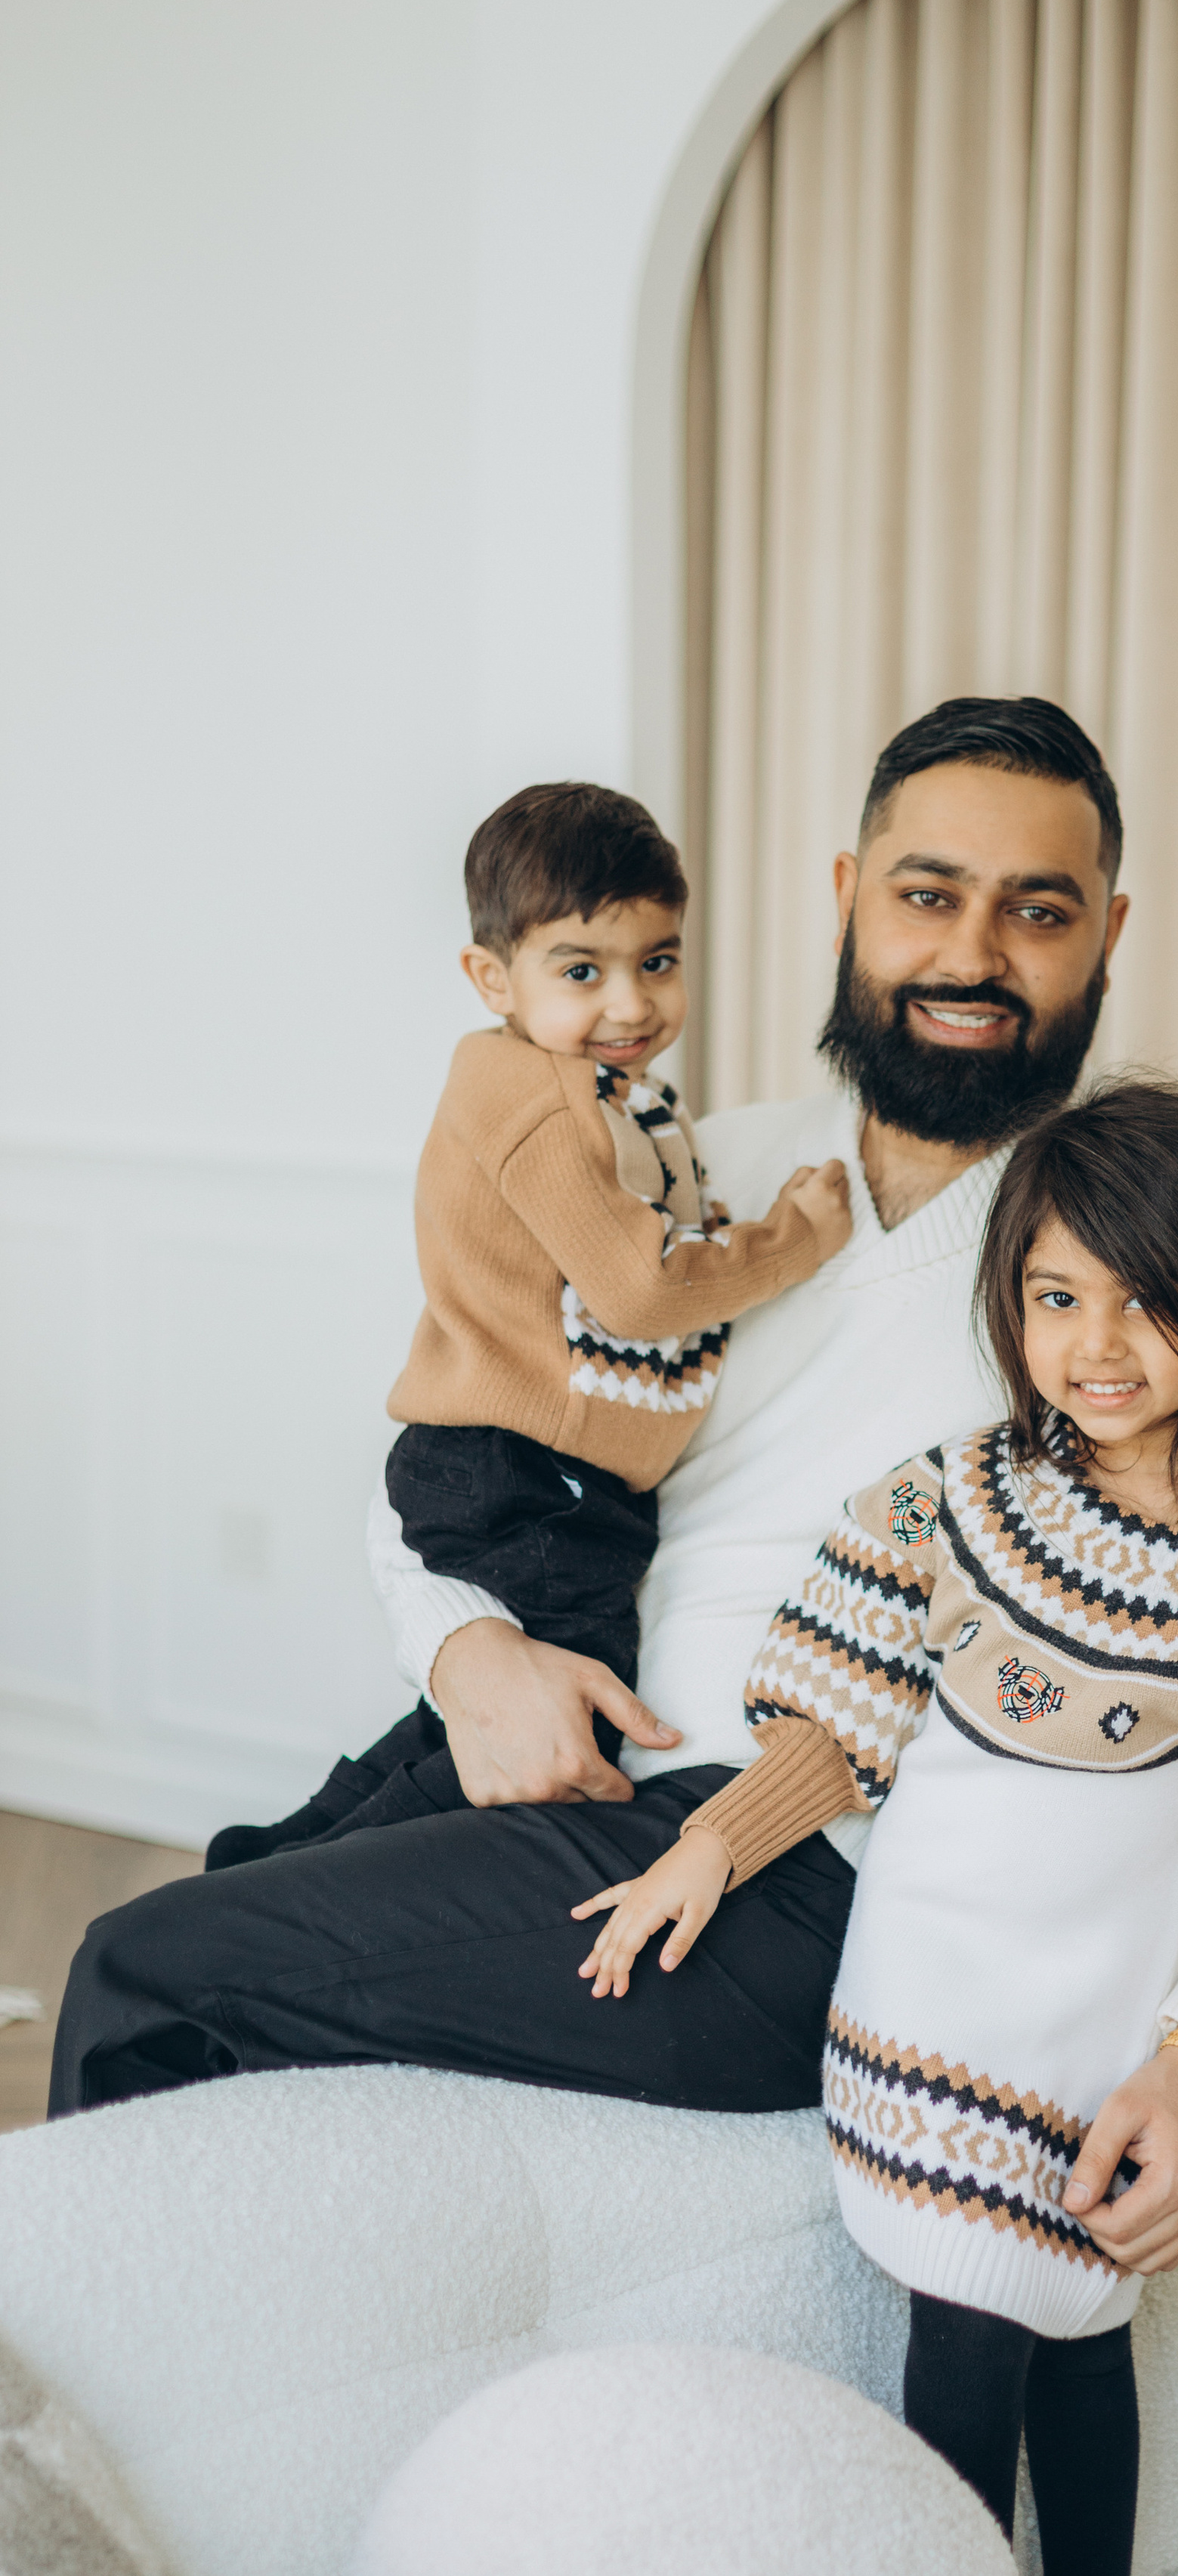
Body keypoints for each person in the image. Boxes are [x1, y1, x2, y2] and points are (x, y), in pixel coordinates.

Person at [50, 700, 1178, 2293]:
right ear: (844, 897)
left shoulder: (1127, 1280)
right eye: (926, 893)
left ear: (1103, 934)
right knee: (229, 1893)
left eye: (1034, 910)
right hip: (579, 1763)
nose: (971, 952)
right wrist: (464, 1657)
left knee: (144, 1968)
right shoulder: (698, 1169)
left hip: (802, 1882)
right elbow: (459, 1436)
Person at [571, 1081, 1178, 2576]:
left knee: (1074, 2326)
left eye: (1143, 1297)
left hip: (1090, 2022)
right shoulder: (960, 1498)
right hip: (926, 1996)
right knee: (970, 2329)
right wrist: (709, 1851)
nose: (1091, 1343)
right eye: (1053, 1296)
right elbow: (843, 1720)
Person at [206, 780, 850, 1863]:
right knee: (554, 1736)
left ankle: (276, 1864)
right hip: (522, 1470)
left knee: (474, 1725)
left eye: (659, 960)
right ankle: (310, 1890)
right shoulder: (540, 1097)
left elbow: (651, 1234)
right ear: (492, 977)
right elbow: (641, 1292)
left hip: (533, 1472)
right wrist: (792, 1243)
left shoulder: (615, 1097)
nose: (633, 1003)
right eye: (583, 970)